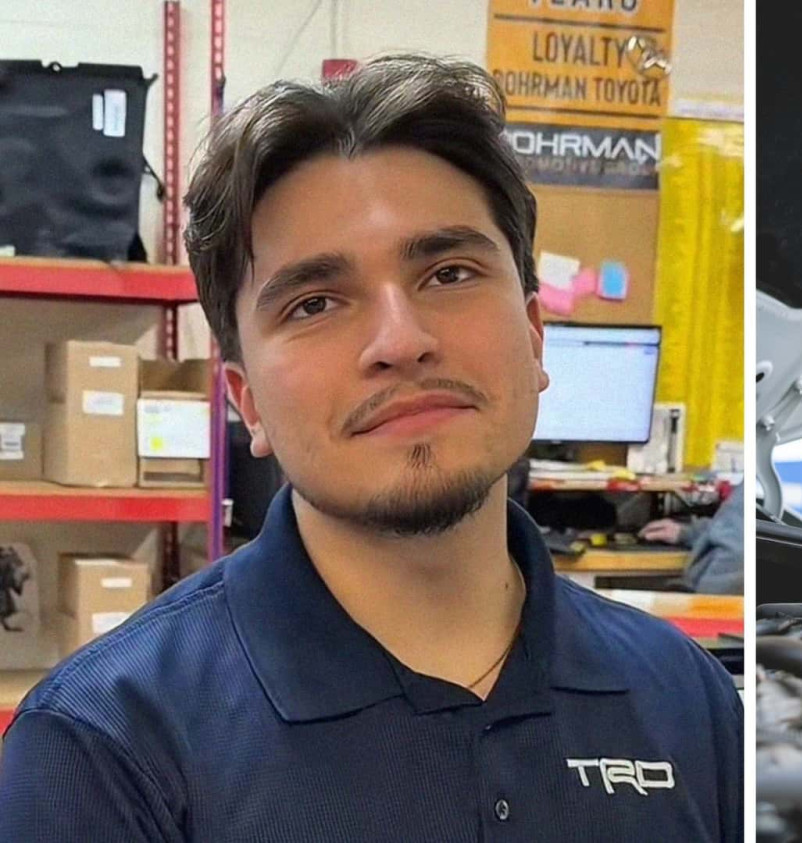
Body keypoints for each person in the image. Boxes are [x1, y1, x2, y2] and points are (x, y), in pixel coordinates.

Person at [0, 55, 741, 842]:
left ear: (532, 333)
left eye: (449, 272)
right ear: (247, 399)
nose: (401, 339)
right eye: (315, 302)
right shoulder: (101, 748)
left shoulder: (684, 696)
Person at [639, 484, 745, 595]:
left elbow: (739, 550)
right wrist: (689, 532)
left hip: (717, 601)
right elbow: (734, 527)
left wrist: (702, 605)